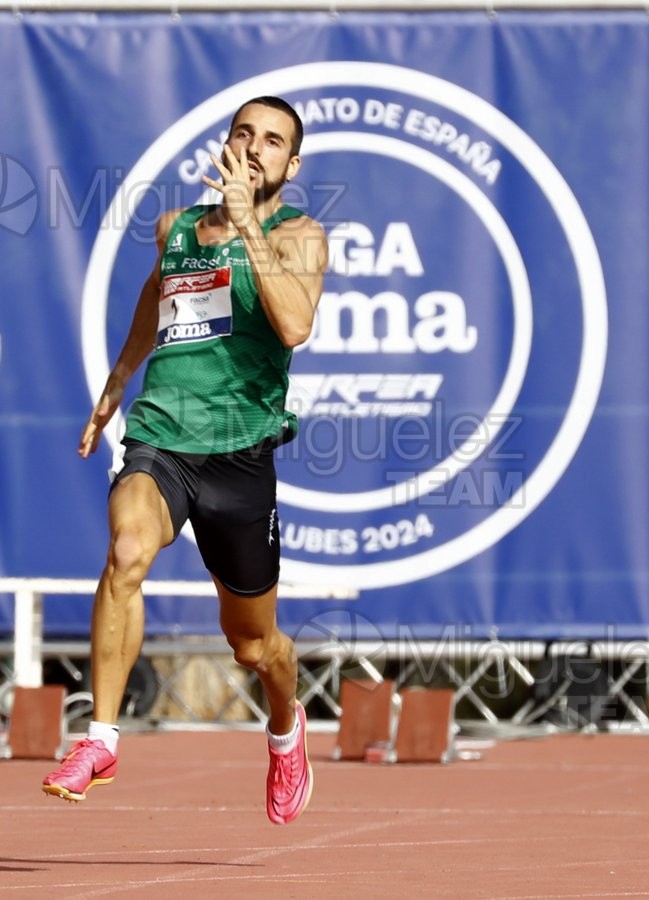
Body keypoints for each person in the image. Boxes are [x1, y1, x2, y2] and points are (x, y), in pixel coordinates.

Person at [42, 96, 328, 825]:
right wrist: (116, 383)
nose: (255, 147)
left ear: (290, 165)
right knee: (127, 550)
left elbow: (294, 324)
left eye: (273, 141)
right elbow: (153, 300)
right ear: (225, 146)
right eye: (245, 134)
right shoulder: (176, 229)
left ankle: (285, 726)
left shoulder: (299, 235)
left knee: (253, 644)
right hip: (161, 437)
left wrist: (246, 226)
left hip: (238, 456)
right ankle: (101, 737)